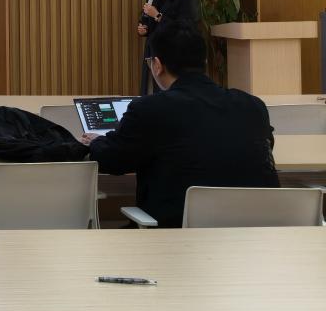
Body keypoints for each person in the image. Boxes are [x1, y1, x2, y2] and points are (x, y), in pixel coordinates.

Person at [83, 21, 278, 228]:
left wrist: (96, 142)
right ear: (204, 61)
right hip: (254, 236)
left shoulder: (150, 109)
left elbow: (114, 160)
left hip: (176, 237)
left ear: (157, 65)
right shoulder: (253, 106)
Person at [137, 0, 200, 94]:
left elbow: (186, 28)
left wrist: (158, 16)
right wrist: (143, 29)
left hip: (173, 55)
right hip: (153, 53)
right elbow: (147, 20)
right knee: (150, 93)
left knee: (169, 94)